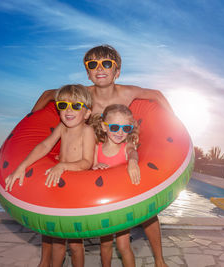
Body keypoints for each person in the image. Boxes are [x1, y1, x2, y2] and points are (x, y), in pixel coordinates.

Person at [32, 44, 170, 267]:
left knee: (148, 212)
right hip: (94, 155)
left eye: (106, 63)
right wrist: (31, 119)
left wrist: (174, 124)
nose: (100, 68)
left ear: (117, 70)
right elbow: (49, 95)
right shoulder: (84, 94)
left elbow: (157, 95)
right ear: (87, 71)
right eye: (92, 64)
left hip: (120, 152)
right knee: (53, 202)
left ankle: (160, 260)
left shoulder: (128, 92)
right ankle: (45, 261)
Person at [5, 84, 95, 267]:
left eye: (76, 106)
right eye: (63, 105)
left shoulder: (87, 131)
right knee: (56, 241)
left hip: (75, 188)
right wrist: (22, 166)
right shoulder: (62, 127)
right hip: (58, 186)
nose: (68, 110)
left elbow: (87, 163)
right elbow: (45, 146)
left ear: (87, 113)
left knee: (76, 244)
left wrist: (63, 166)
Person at [92, 104, 140, 267]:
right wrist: (95, 166)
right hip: (103, 206)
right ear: (104, 127)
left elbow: (133, 151)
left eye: (125, 128)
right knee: (105, 245)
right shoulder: (96, 149)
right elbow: (88, 171)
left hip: (121, 205)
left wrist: (132, 162)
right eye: (114, 127)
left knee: (123, 245)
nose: (120, 132)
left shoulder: (126, 147)